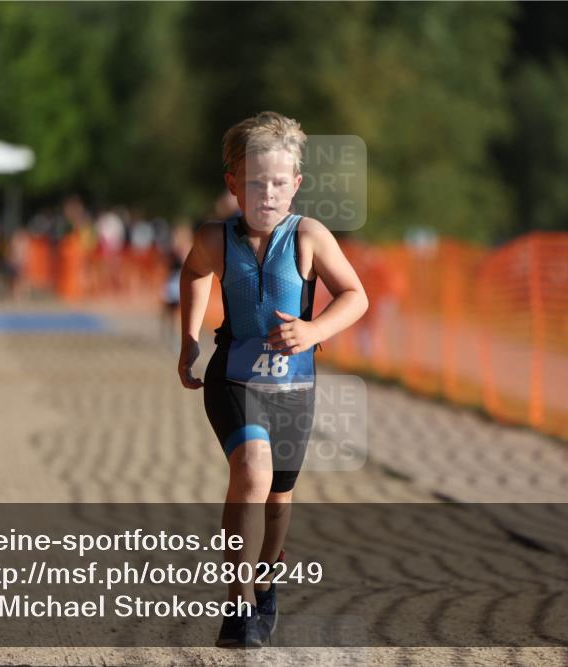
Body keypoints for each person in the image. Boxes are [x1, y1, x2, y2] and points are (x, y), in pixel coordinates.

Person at [177, 111, 368, 648]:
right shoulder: (216, 238)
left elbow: (356, 296)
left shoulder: (309, 236)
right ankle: (238, 606)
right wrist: (189, 338)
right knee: (252, 471)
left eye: (280, 183)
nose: (268, 193)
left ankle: (265, 582)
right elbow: (192, 272)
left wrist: (313, 329)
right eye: (256, 182)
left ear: (297, 185)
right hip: (234, 378)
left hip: (294, 388)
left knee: (279, 499)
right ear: (233, 184)